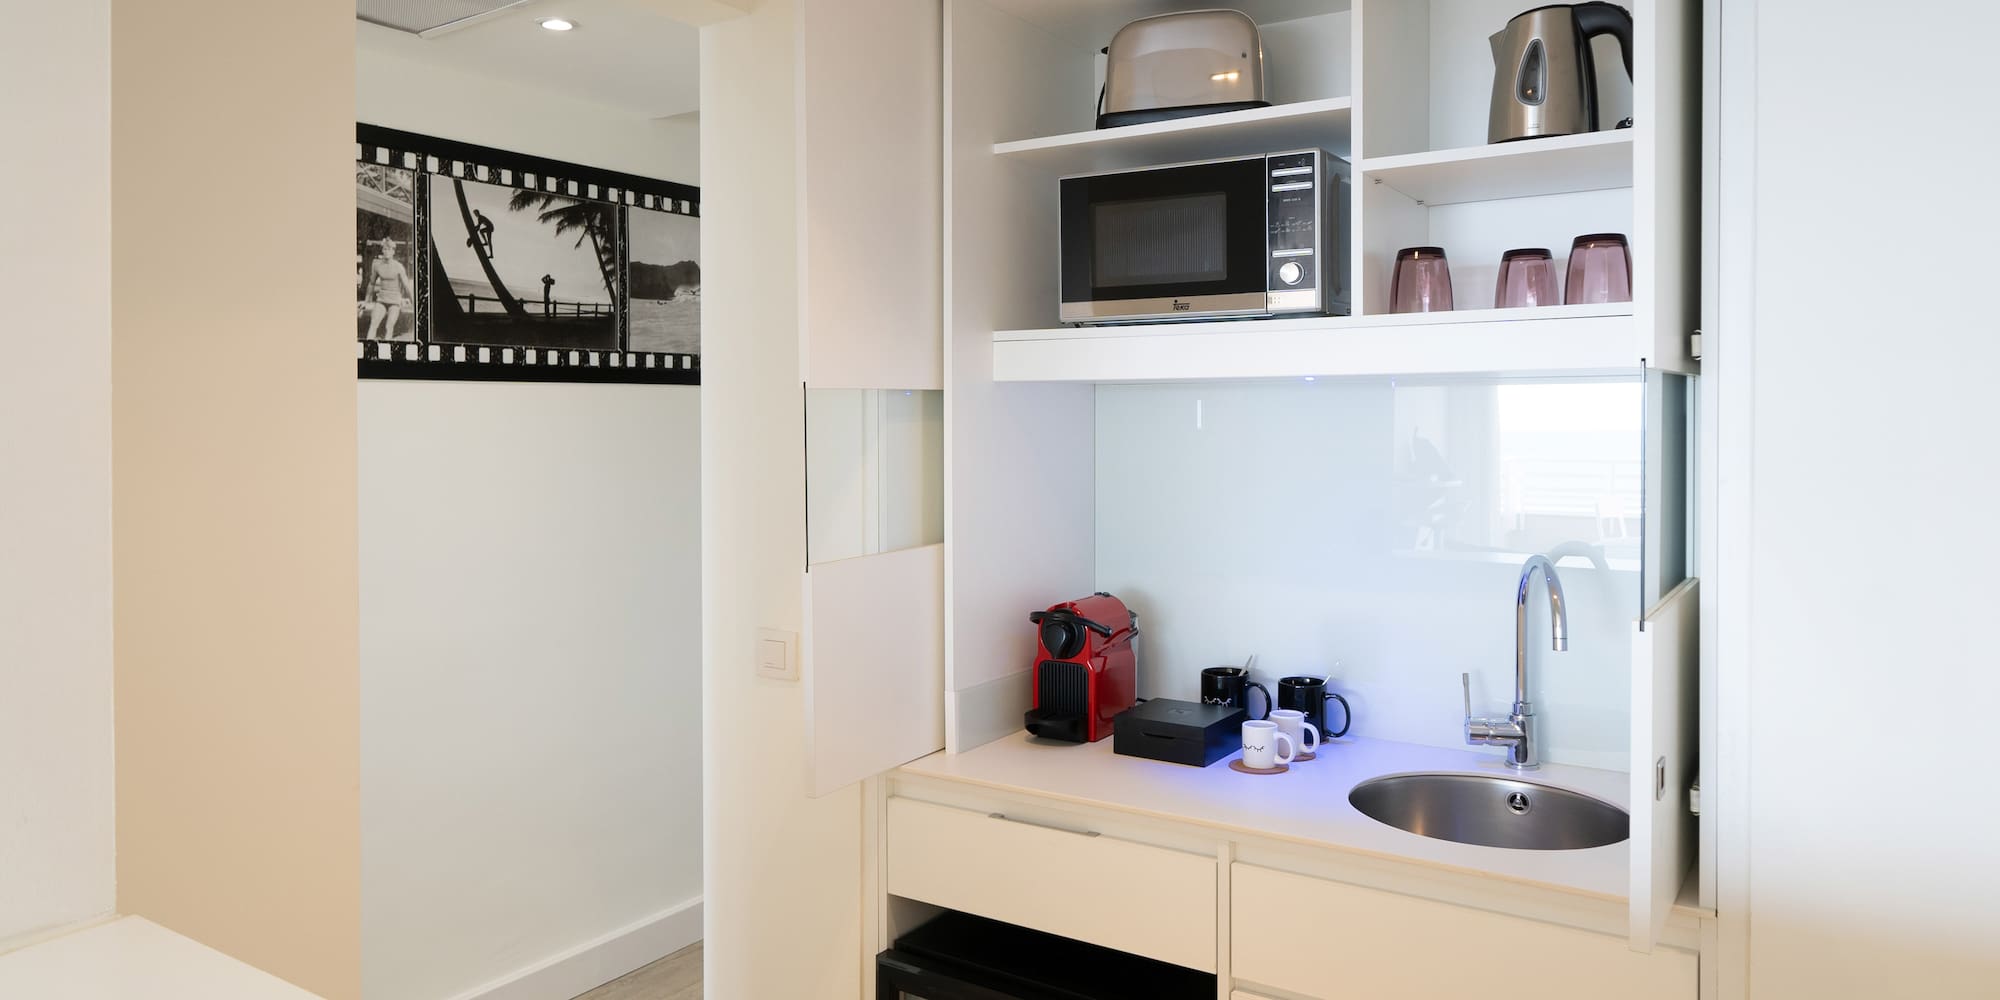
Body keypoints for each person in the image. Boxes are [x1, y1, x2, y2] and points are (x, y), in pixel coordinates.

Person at [361, 237, 414, 341]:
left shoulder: (399, 267)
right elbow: (371, 283)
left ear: (393, 252)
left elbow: (407, 286)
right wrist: (366, 301)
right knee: (373, 323)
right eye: (385, 249)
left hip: (394, 301)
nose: (386, 252)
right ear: (382, 250)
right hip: (381, 300)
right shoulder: (377, 265)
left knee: (389, 327)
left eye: (389, 249)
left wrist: (414, 302)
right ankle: (368, 345)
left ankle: (386, 347)